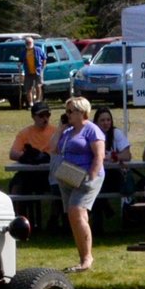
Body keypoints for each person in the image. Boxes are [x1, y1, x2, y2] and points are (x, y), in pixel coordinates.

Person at [53, 96, 106, 273]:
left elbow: (99, 155)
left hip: (87, 176)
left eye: (71, 111)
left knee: (77, 211)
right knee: (74, 217)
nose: (67, 114)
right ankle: (82, 257)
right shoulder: (68, 132)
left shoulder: (92, 130)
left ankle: (87, 258)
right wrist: (60, 129)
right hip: (68, 175)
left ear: (82, 112)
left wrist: (91, 175)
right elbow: (53, 148)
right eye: (66, 111)